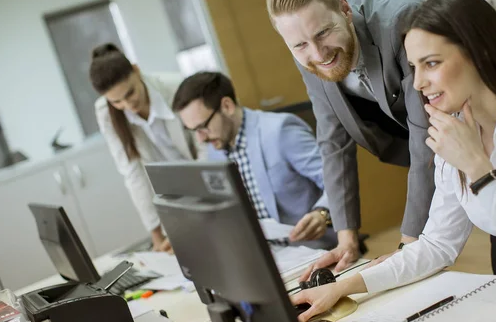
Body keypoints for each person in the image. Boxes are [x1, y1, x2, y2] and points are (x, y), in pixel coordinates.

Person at [290, 0, 496, 322]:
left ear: (480, 53)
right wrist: (345, 286)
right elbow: (438, 245)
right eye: (414, 66)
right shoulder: (457, 131)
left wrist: (478, 168)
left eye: (431, 63)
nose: (417, 83)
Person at [267, 0, 435, 274]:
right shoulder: (307, 51)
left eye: (323, 33)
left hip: (481, 139)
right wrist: (346, 240)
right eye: (300, 45)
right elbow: (333, 143)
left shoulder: (402, 21)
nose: (317, 53)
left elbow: (426, 136)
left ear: (344, 9)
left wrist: (407, 245)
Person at [171, 71, 337, 249]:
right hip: (263, 254)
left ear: (227, 106)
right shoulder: (215, 149)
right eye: (193, 131)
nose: (200, 139)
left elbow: (336, 179)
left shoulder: (279, 131)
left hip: (311, 250)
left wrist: (322, 214)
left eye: (203, 127)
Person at [90, 43, 205, 252]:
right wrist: (156, 234)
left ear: (136, 70)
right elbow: (133, 173)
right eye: (117, 102)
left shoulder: (176, 88)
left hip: (201, 178)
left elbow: (204, 149)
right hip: (172, 196)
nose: (127, 105)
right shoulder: (106, 113)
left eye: (130, 93)